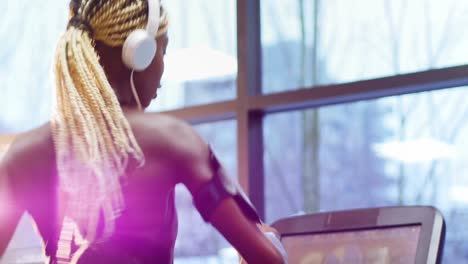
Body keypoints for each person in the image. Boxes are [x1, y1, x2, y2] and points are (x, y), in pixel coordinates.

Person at [0, 0, 287, 263]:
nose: (163, 66)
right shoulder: (172, 140)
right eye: (163, 49)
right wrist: (269, 238)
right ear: (140, 54)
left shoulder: (24, 154)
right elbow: (269, 259)